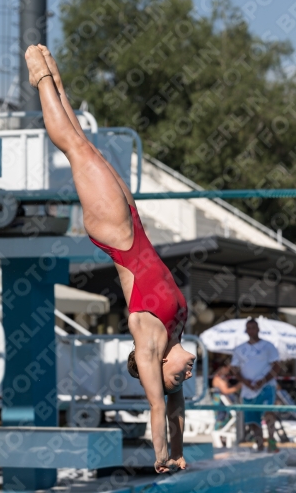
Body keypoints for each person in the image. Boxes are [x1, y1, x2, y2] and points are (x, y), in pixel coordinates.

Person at [25, 45, 196, 474]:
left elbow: (158, 408)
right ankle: (53, 79)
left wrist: (159, 459)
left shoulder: (149, 340)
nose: (187, 372)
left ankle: (40, 81)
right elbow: (175, 414)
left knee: (75, 149)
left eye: (177, 377)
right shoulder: (174, 330)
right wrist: (178, 452)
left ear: (155, 366)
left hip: (117, 235)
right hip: (132, 223)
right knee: (88, 145)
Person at [230, 318, 280, 452]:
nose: (252, 330)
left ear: (258, 329)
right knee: (253, 420)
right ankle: (259, 445)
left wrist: (263, 380)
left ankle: (271, 441)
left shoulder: (268, 346)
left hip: (267, 387)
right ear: (246, 331)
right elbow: (234, 368)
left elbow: (277, 366)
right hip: (248, 389)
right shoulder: (240, 349)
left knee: (269, 413)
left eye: (254, 327)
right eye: (249, 328)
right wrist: (245, 382)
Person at [212, 365, 241, 430]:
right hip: (220, 401)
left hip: (221, 401)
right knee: (221, 417)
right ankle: (219, 432)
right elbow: (225, 391)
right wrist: (238, 386)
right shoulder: (219, 378)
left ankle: (220, 432)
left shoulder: (222, 378)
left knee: (222, 417)